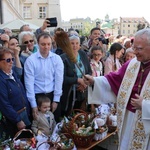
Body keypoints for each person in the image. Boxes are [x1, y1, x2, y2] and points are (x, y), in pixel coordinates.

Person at [84, 28, 150, 150]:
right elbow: (114, 79)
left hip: (146, 122)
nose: (135, 52)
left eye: (139, 49)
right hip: (128, 117)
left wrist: (145, 105)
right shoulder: (132, 64)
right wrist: (95, 81)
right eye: (134, 47)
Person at [24, 32, 64, 123]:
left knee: (55, 124)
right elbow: (29, 83)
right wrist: (33, 105)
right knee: (38, 127)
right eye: (43, 44)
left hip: (52, 95)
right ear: (38, 44)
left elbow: (59, 80)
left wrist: (56, 100)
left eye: (48, 44)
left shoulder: (57, 59)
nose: (46, 47)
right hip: (37, 97)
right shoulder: (31, 60)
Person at [0, 47, 31, 138]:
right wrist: (17, 120)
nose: (11, 62)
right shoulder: (1, 80)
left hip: (24, 113)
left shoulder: (12, 73)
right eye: (8, 60)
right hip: (14, 119)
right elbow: (4, 104)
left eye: (12, 59)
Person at [60, 34, 92, 116]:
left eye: (77, 43)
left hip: (83, 91)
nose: (75, 46)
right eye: (72, 43)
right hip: (69, 93)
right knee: (70, 116)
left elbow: (89, 71)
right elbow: (62, 78)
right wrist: (77, 80)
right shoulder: (63, 58)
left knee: (82, 114)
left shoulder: (83, 54)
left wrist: (84, 83)